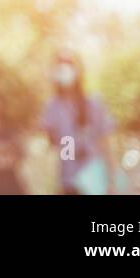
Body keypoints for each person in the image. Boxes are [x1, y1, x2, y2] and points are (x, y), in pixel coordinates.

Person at [41, 51, 114, 194]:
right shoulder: (52, 106)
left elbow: (105, 144)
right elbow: (53, 146)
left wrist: (111, 180)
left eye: (69, 65)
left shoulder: (94, 103)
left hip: (94, 180)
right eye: (60, 66)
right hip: (68, 181)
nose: (64, 70)